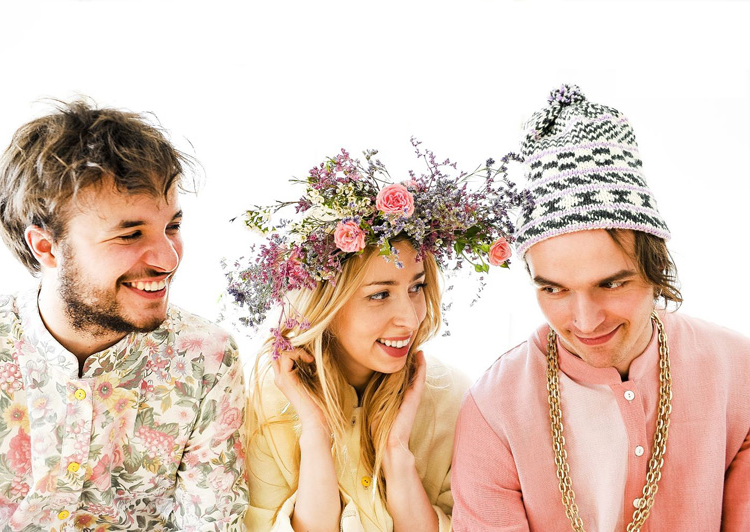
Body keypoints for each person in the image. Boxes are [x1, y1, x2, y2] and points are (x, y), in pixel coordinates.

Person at [451, 84, 750, 531]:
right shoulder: (494, 409)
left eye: (611, 284)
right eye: (554, 290)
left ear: (655, 267)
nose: (586, 321)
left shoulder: (739, 372)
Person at [0, 100, 247, 530]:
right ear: (46, 247)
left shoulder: (208, 358)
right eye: (131, 234)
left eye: (172, 227)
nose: (168, 259)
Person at [227, 144, 525, 531]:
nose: (410, 319)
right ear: (326, 306)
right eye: (380, 295)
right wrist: (315, 434)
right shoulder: (266, 403)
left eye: (416, 288)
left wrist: (397, 455)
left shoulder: (452, 398)